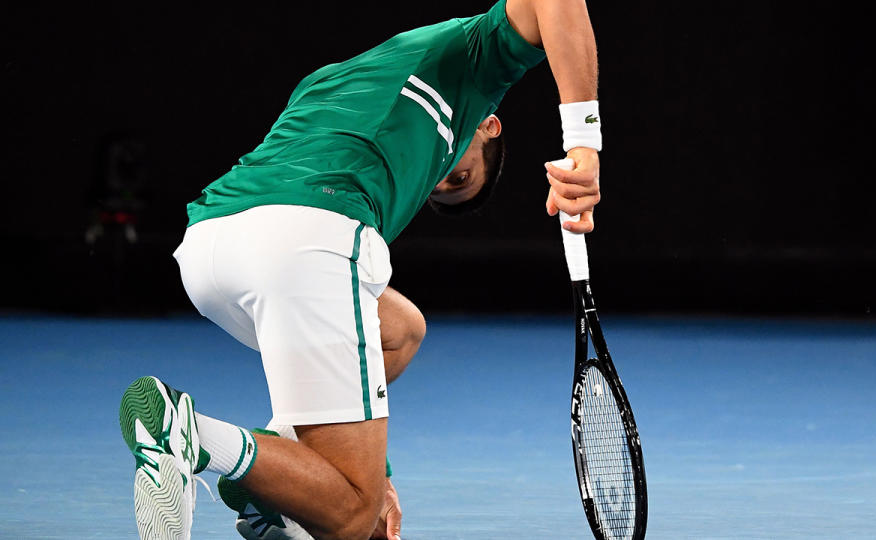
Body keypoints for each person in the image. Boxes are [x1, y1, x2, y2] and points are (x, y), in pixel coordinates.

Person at [118, 0, 602, 538]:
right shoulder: (471, 59)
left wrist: (373, 465)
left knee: (400, 330)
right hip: (303, 239)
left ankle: (273, 483)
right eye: (460, 176)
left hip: (208, 248)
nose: (441, 180)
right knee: (353, 515)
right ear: (488, 126)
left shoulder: (334, 81)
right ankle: (192, 435)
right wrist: (583, 143)